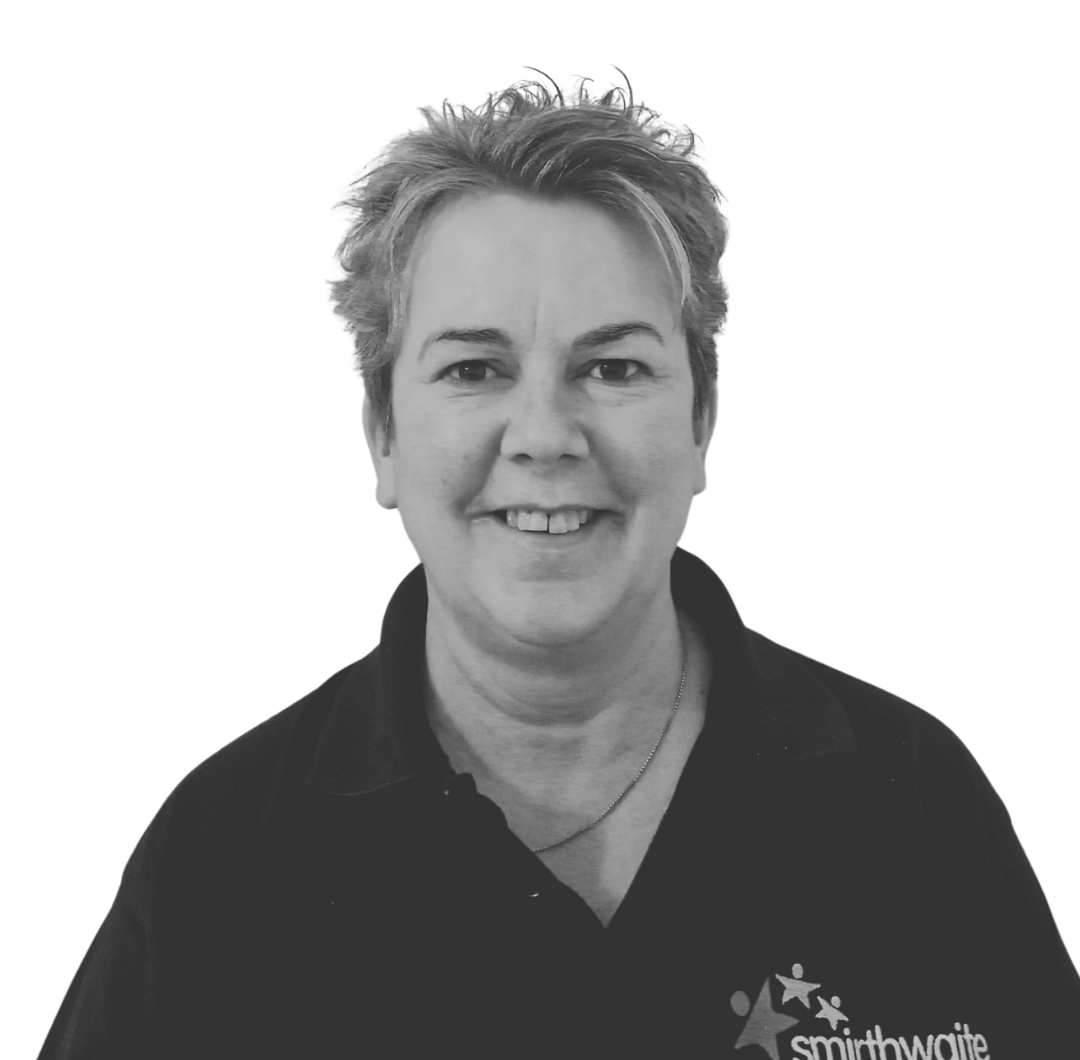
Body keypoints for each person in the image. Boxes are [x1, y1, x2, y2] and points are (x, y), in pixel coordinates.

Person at [40, 76, 1079, 1060]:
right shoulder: (222, 861)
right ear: (383, 437)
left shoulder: (912, 804)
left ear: (702, 423)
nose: (544, 434)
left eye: (613, 367)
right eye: (474, 368)